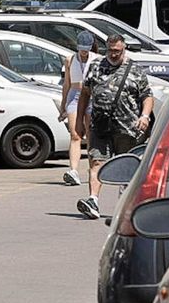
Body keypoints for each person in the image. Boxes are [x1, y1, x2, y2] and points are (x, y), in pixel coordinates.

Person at [75, 33, 154, 220]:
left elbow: (147, 96)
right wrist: (79, 121)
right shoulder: (96, 67)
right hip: (100, 126)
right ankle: (93, 201)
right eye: (110, 50)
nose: (113, 54)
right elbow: (85, 93)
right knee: (96, 162)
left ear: (124, 48)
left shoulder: (135, 70)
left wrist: (144, 117)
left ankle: (125, 206)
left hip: (127, 129)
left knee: (127, 166)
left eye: (117, 51)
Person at [59, 31, 97, 187]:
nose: (83, 52)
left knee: (90, 134)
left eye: (86, 48)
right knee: (75, 134)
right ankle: (73, 171)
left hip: (91, 95)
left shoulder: (97, 60)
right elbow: (67, 84)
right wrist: (63, 105)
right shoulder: (70, 59)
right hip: (74, 95)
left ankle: (93, 170)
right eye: (81, 48)